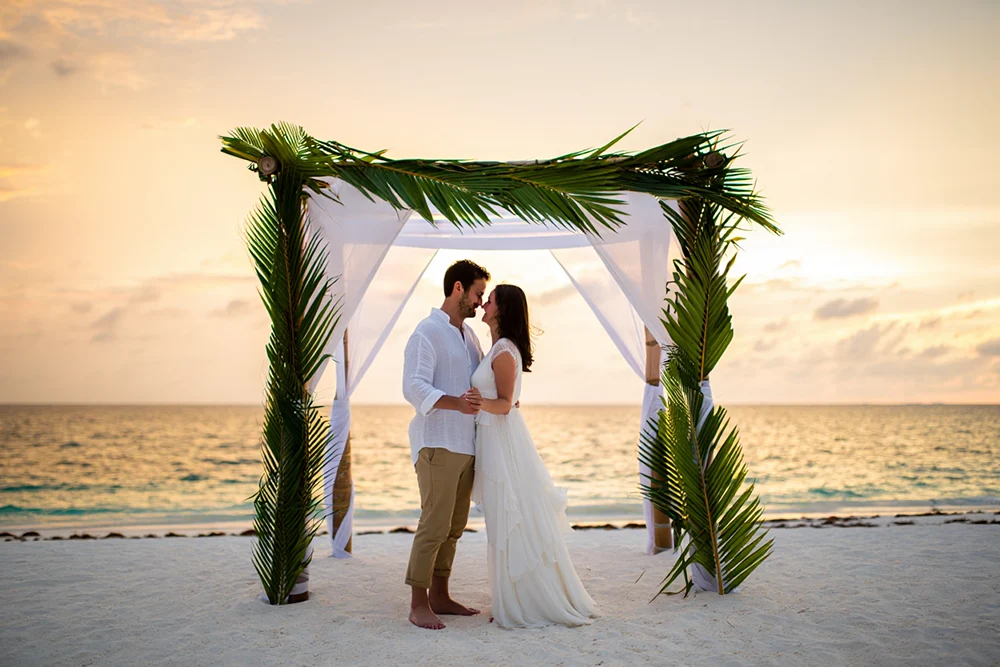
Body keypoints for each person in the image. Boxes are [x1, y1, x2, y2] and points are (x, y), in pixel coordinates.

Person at [472, 284, 597, 629]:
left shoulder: (503, 350)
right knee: (503, 519)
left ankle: (520, 600)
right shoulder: (498, 347)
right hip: (495, 438)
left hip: (501, 440)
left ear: (502, 310)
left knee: (507, 518)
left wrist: (475, 402)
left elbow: (505, 403)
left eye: (491, 300)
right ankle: (510, 595)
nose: (484, 303)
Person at [401, 259, 489, 630]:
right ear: (457, 288)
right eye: (477, 293)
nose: (480, 303)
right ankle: (418, 602)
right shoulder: (426, 332)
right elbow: (413, 386)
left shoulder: (470, 337)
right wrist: (456, 402)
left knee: (454, 527)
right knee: (433, 524)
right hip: (436, 442)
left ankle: (440, 594)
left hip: (466, 445)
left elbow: (483, 383)